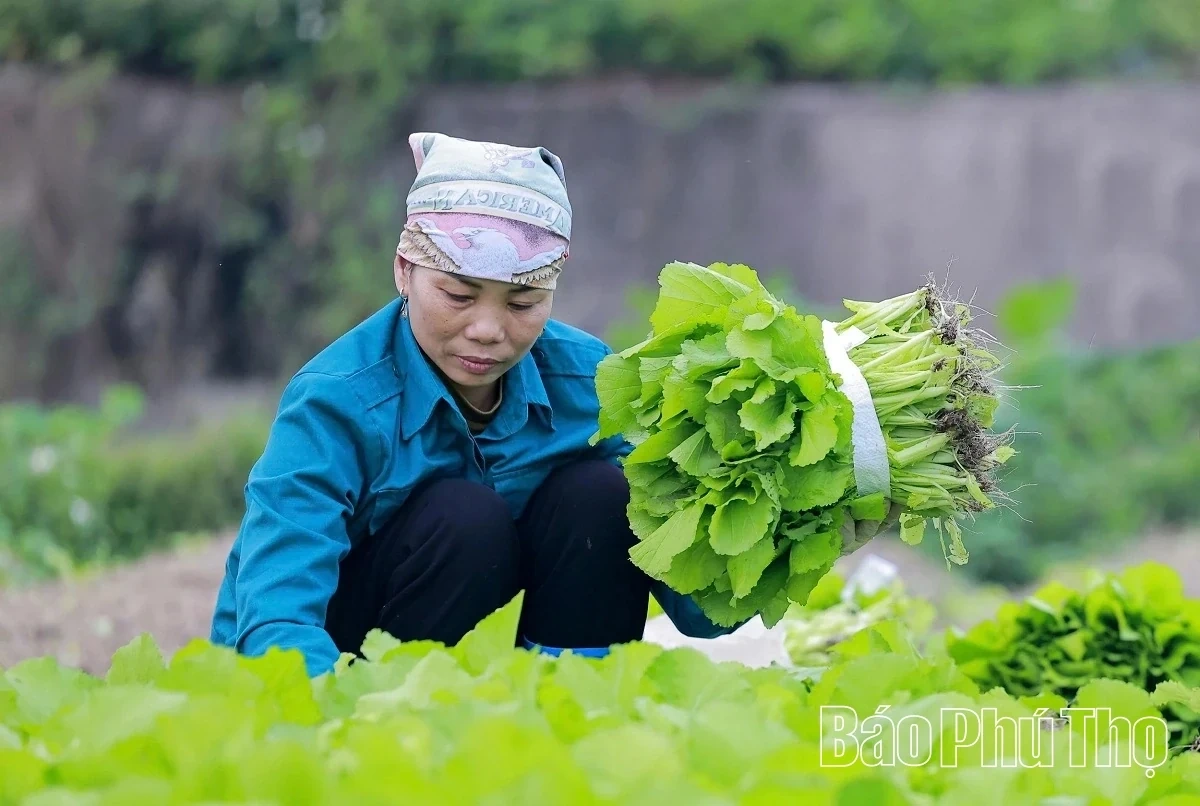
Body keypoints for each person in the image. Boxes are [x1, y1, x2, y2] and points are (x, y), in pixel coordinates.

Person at [210, 132, 898, 678]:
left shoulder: (590, 383)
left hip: (496, 656)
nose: (487, 329)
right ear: (403, 272)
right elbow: (275, 608)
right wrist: (323, 713)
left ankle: (569, 703)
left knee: (603, 493)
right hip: (335, 656)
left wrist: (807, 525)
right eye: (457, 295)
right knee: (464, 517)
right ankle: (391, 717)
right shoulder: (336, 401)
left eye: (522, 303)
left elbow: (699, 612)